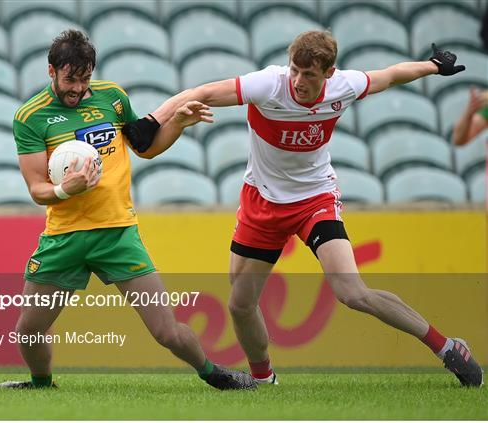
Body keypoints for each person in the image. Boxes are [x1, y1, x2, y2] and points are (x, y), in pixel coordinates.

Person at [146, 31, 484, 387]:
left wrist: (432, 66)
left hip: (315, 200)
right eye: (295, 70)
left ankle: (447, 347)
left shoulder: (344, 87)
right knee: (240, 304)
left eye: (309, 74)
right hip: (262, 202)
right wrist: (154, 120)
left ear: (329, 73)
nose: (298, 81)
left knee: (352, 292)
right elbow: (200, 93)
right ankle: (264, 379)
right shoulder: (267, 85)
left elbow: (391, 75)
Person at [0, 29, 256, 391]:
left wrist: (177, 123)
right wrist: (63, 189)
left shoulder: (112, 98)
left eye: (84, 79)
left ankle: (214, 373)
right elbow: (37, 189)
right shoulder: (30, 117)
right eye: (70, 79)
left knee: (166, 330)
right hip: (64, 238)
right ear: (51, 70)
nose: (77, 88)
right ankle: (41, 384)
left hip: (117, 234)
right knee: (28, 330)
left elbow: (145, 148)